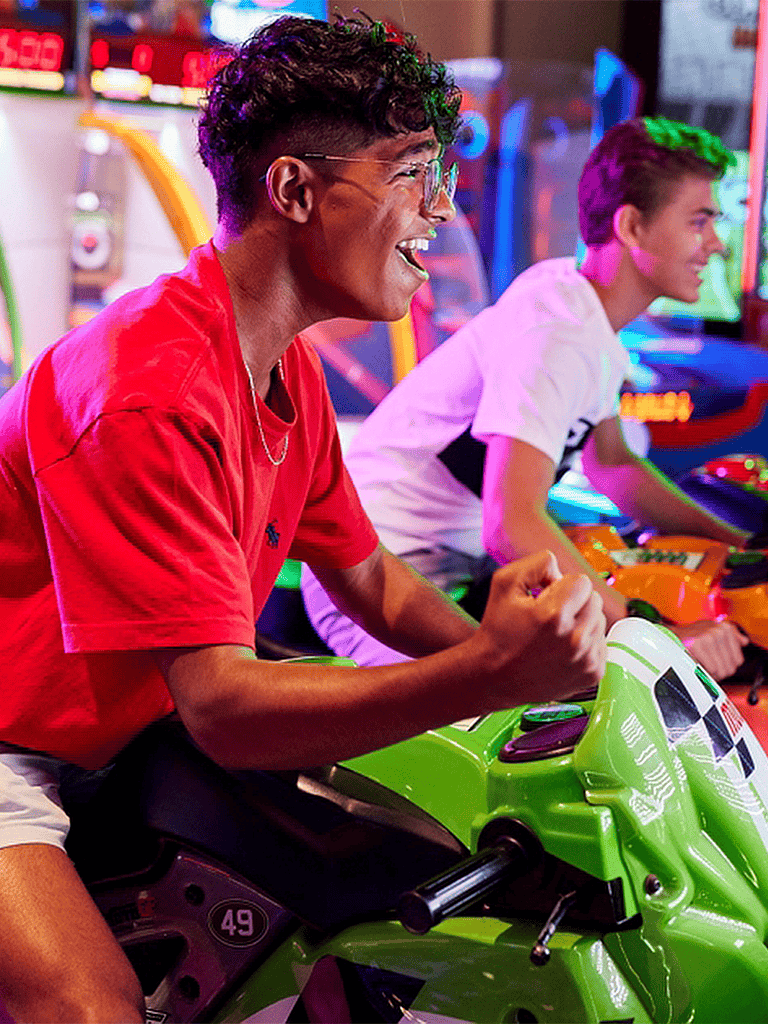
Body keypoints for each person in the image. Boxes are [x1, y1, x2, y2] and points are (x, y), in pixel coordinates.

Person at [0, 14, 606, 1023]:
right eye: (415, 172)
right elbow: (226, 709)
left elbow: (372, 580)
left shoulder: (287, 371)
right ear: (293, 189)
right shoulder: (151, 384)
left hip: (119, 733)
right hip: (14, 742)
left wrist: (526, 699)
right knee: (89, 1008)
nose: (443, 209)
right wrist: (495, 669)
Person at [303, 115, 749, 681]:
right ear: (632, 227)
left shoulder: (586, 312)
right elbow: (510, 523)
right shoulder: (556, 333)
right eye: (700, 220)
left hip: (446, 565)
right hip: (373, 571)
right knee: (528, 711)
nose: (716, 243)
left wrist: (737, 542)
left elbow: (614, 466)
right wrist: (654, 636)